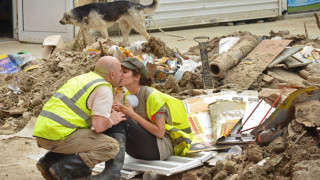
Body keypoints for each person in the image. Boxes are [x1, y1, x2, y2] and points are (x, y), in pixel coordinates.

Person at [90, 57, 193, 179]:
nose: (120, 75)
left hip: (159, 148)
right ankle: (101, 168)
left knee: (122, 120)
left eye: (125, 72)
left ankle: (112, 173)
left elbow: (160, 132)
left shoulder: (151, 96)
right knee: (112, 120)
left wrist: (132, 115)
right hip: (138, 151)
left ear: (137, 77)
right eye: (120, 71)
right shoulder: (126, 95)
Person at [32, 56, 126, 180]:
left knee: (84, 137)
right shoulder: (103, 88)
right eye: (120, 72)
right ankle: (62, 169)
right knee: (110, 146)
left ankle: (48, 162)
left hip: (43, 132)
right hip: (59, 135)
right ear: (112, 75)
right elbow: (99, 126)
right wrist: (111, 120)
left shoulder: (82, 79)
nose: (122, 75)